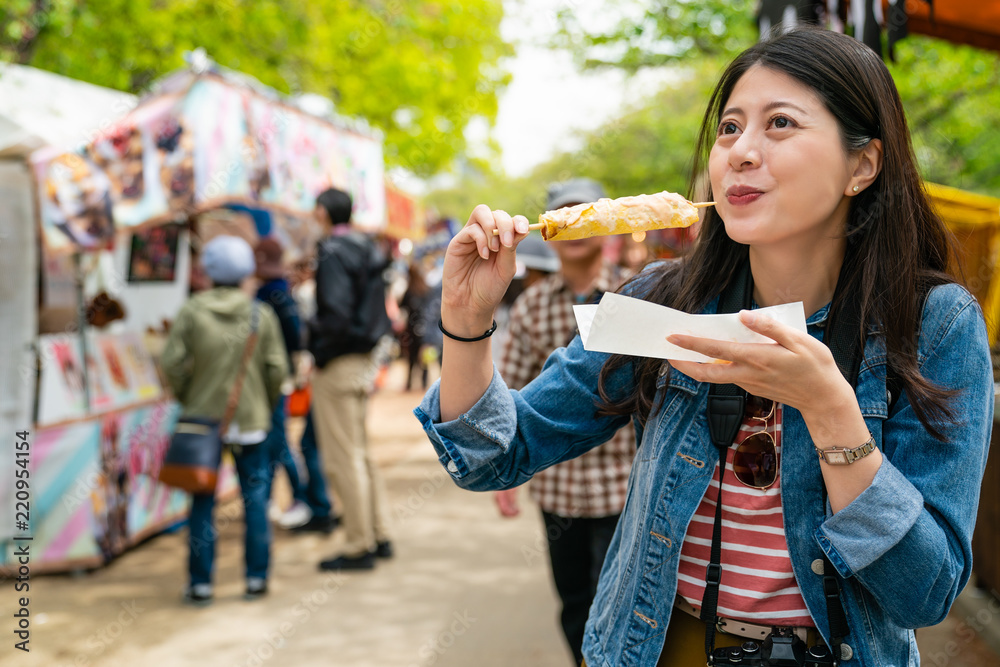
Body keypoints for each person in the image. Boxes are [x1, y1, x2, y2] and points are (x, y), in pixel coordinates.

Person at [414, 28, 994, 667]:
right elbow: (495, 454)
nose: (741, 152)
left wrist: (831, 413)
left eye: (780, 124)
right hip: (655, 648)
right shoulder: (662, 301)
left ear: (862, 165)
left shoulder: (933, 323)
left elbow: (927, 592)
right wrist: (465, 321)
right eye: (729, 128)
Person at [492, 179, 636, 666]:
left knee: (618, 602)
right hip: (560, 489)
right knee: (574, 601)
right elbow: (509, 387)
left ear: (608, 224)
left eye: (587, 213)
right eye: (565, 214)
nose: (576, 223)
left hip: (626, 484)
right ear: (550, 230)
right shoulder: (532, 305)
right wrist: (501, 469)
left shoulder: (637, 294)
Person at [162, 235, 288, 604]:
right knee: (256, 499)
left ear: (209, 271)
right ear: (246, 270)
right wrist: (261, 404)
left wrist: (191, 396)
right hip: (252, 422)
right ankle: (256, 579)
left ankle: (200, 583)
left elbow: (171, 362)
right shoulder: (258, 313)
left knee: (202, 500)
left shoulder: (192, 310)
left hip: (202, 422)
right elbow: (277, 368)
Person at [308, 187, 394, 571]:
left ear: (323, 213)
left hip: (339, 360)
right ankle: (378, 532)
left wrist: (319, 352)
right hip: (364, 359)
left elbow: (336, 315)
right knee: (359, 452)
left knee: (344, 457)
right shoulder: (367, 248)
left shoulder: (332, 251)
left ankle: (359, 544)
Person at [253, 237, 313, 528]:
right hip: (278, 379)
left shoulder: (267, 295)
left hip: (271, 382)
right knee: (276, 441)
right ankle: (278, 499)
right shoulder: (283, 292)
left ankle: (299, 497)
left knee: (278, 441)